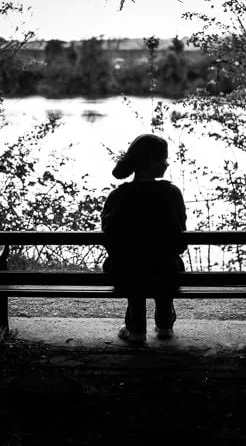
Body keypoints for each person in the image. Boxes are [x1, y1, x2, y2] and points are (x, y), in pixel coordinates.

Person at [101, 134, 187, 343]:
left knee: (132, 265)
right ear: (152, 161)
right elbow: (180, 240)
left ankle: (136, 328)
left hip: (126, 270)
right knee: (166, 264)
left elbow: (109, 240)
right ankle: (165, 324)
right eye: (164, 158)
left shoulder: (118, 195)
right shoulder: (171, 193)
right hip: (165, 270)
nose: (167, 163)